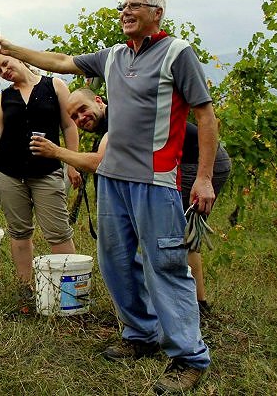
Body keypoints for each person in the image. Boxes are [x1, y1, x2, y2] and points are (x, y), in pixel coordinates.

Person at [0, 0, 217, 394]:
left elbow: (205, 115)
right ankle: (141, 334)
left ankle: (188, 356)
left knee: (164, 265)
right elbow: (59, 61)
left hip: (156, 180)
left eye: (135, 6)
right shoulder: (114, 56)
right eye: (123, 6)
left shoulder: (177, 53)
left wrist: (203, 177)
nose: (126, 12)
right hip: (112, 179)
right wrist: (14, 48)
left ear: (158, 13)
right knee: (114, 262)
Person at [41, 87, 231, 314]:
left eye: (83, 109)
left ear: (99, 101)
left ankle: (191, 306)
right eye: (74, 117)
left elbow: (99, 163)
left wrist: (56, 152)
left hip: (198, 162)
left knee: (175, 234)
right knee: (178, 233)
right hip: (182, 162)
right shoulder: (111, 123)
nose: (80, 118)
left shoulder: (117, 119)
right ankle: (193, 303)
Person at [0, 52, 81, 313]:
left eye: (6, 63)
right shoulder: (4, 97)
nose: (5, 70)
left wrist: (73, 162)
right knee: (20, 232)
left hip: (47, 171)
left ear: (19, 59)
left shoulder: (54, 85)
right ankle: (26, 291)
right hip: (9, 173)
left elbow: (69, 125)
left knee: (58, 232)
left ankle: (71, 294)